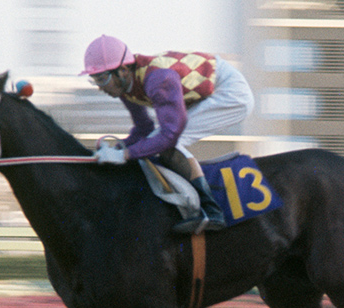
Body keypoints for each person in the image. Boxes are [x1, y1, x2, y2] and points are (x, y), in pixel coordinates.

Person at [81, 34, 255, 234]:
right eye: (95, 80)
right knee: (152, 142)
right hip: (212, 89)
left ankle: (211, 211)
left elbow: (169, 135)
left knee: (169, 144)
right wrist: (118, 147)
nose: (100, 87)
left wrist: (124, 154)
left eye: (102, 78)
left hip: (231, 92)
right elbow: (143, 130)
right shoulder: (125, 86)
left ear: (122, 70)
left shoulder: (157, 79)